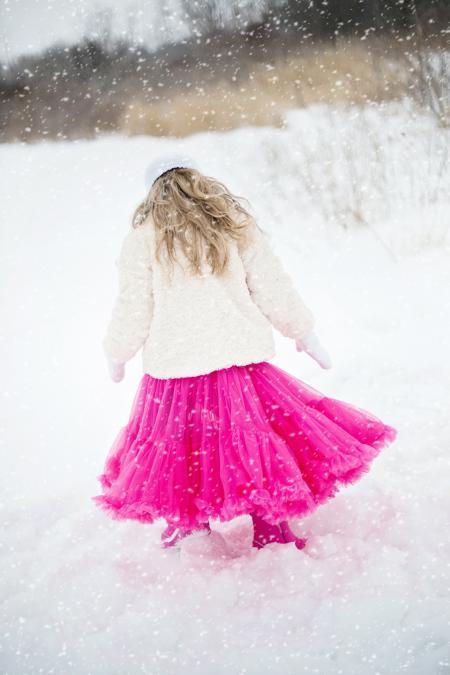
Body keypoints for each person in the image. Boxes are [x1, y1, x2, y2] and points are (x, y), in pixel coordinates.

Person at [91, 155, 397, 551]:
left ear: (153, 193)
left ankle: (192, 528)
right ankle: (270, 526)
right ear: (200, 181)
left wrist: (118, 352)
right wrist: (302, 331)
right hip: (237, 362)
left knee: (181, 449)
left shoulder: (143, 239)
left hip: (175, 370)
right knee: (250, 444)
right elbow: (272, 285)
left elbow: (134, 305)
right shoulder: (233, 226)